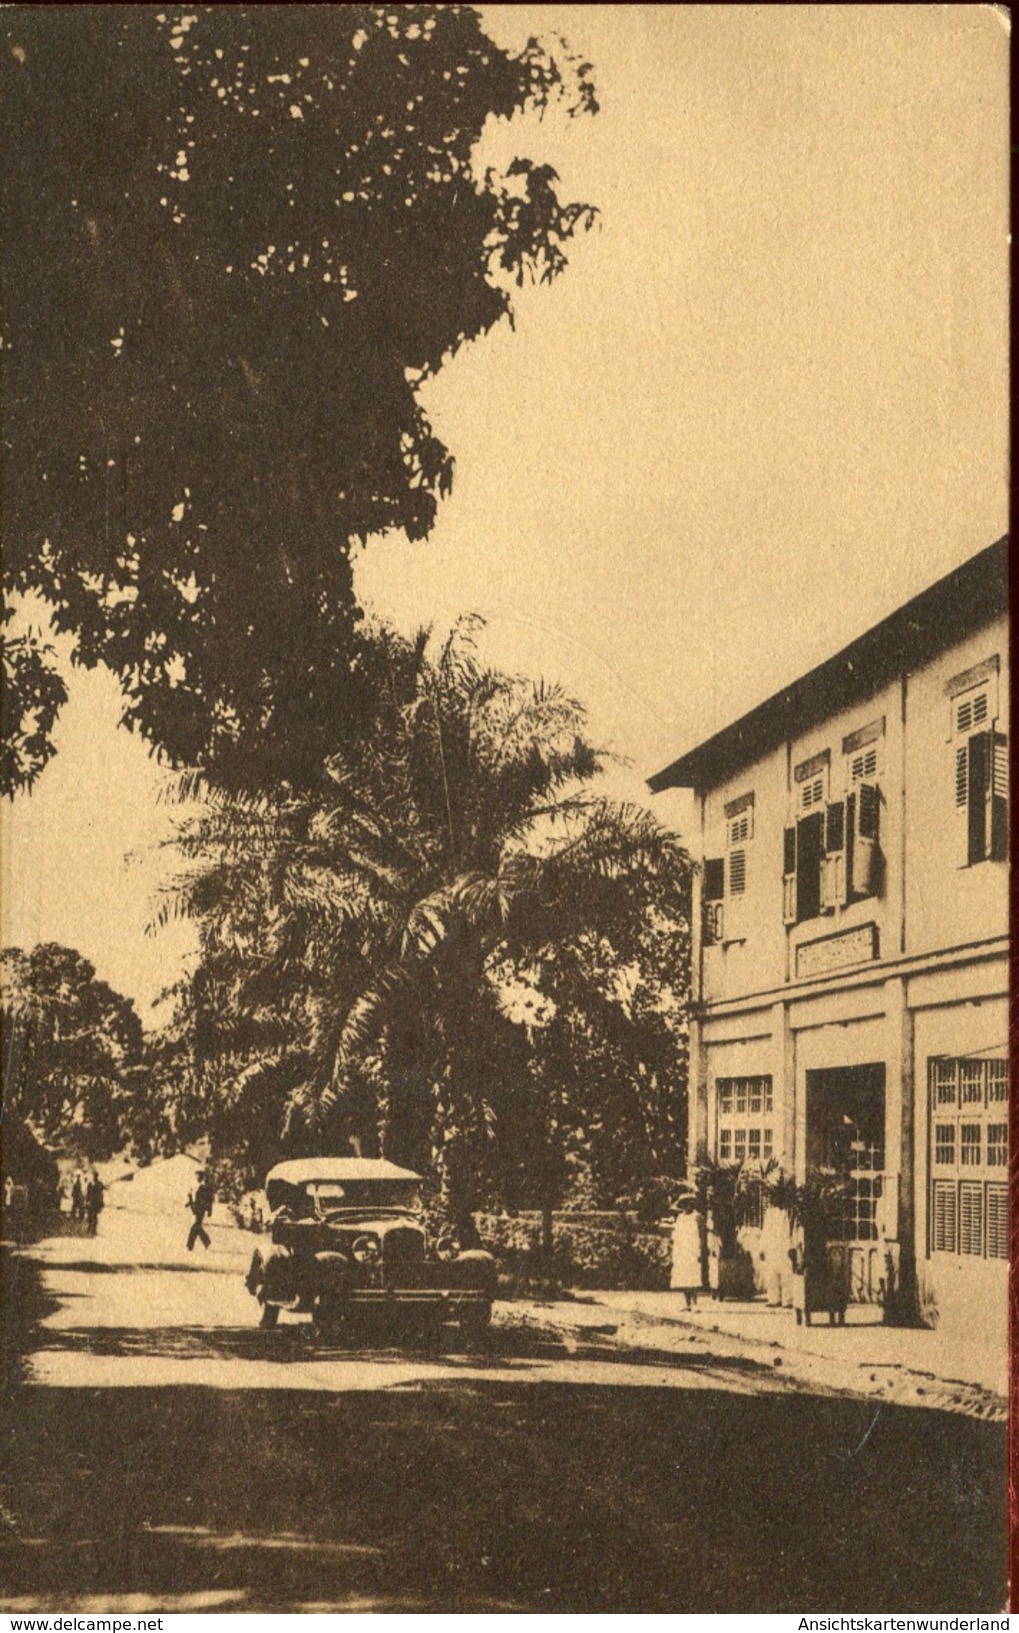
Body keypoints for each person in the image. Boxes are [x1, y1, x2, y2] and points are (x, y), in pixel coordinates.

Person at [670, 1191, 703, 1310]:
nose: (688, 1206)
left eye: (690, 1203)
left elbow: (701, 1234)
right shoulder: (679, 1218)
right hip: (682, 1250)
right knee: (683, 1277)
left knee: (693, 1276)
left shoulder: (697, 1217)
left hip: (693, 1250)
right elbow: (676, 1234)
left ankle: (695, 1303)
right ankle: (687, 1303)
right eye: (685, 1204)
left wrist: (701, 1250)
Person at [186, 1170, 215, 1251]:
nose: (196, 1178)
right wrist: (189, 1201)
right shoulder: (196, 1186)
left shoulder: (205, 1187)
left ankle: (190, 1245)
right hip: (195, 1208)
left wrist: (209, 1211)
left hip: (200, 1209)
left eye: (198, 1176)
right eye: (196, 1176)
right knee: (197, 1226)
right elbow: (192, 1197)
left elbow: (209, 1200)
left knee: (195, 1226)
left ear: (202, 1177)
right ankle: (206, 1241)